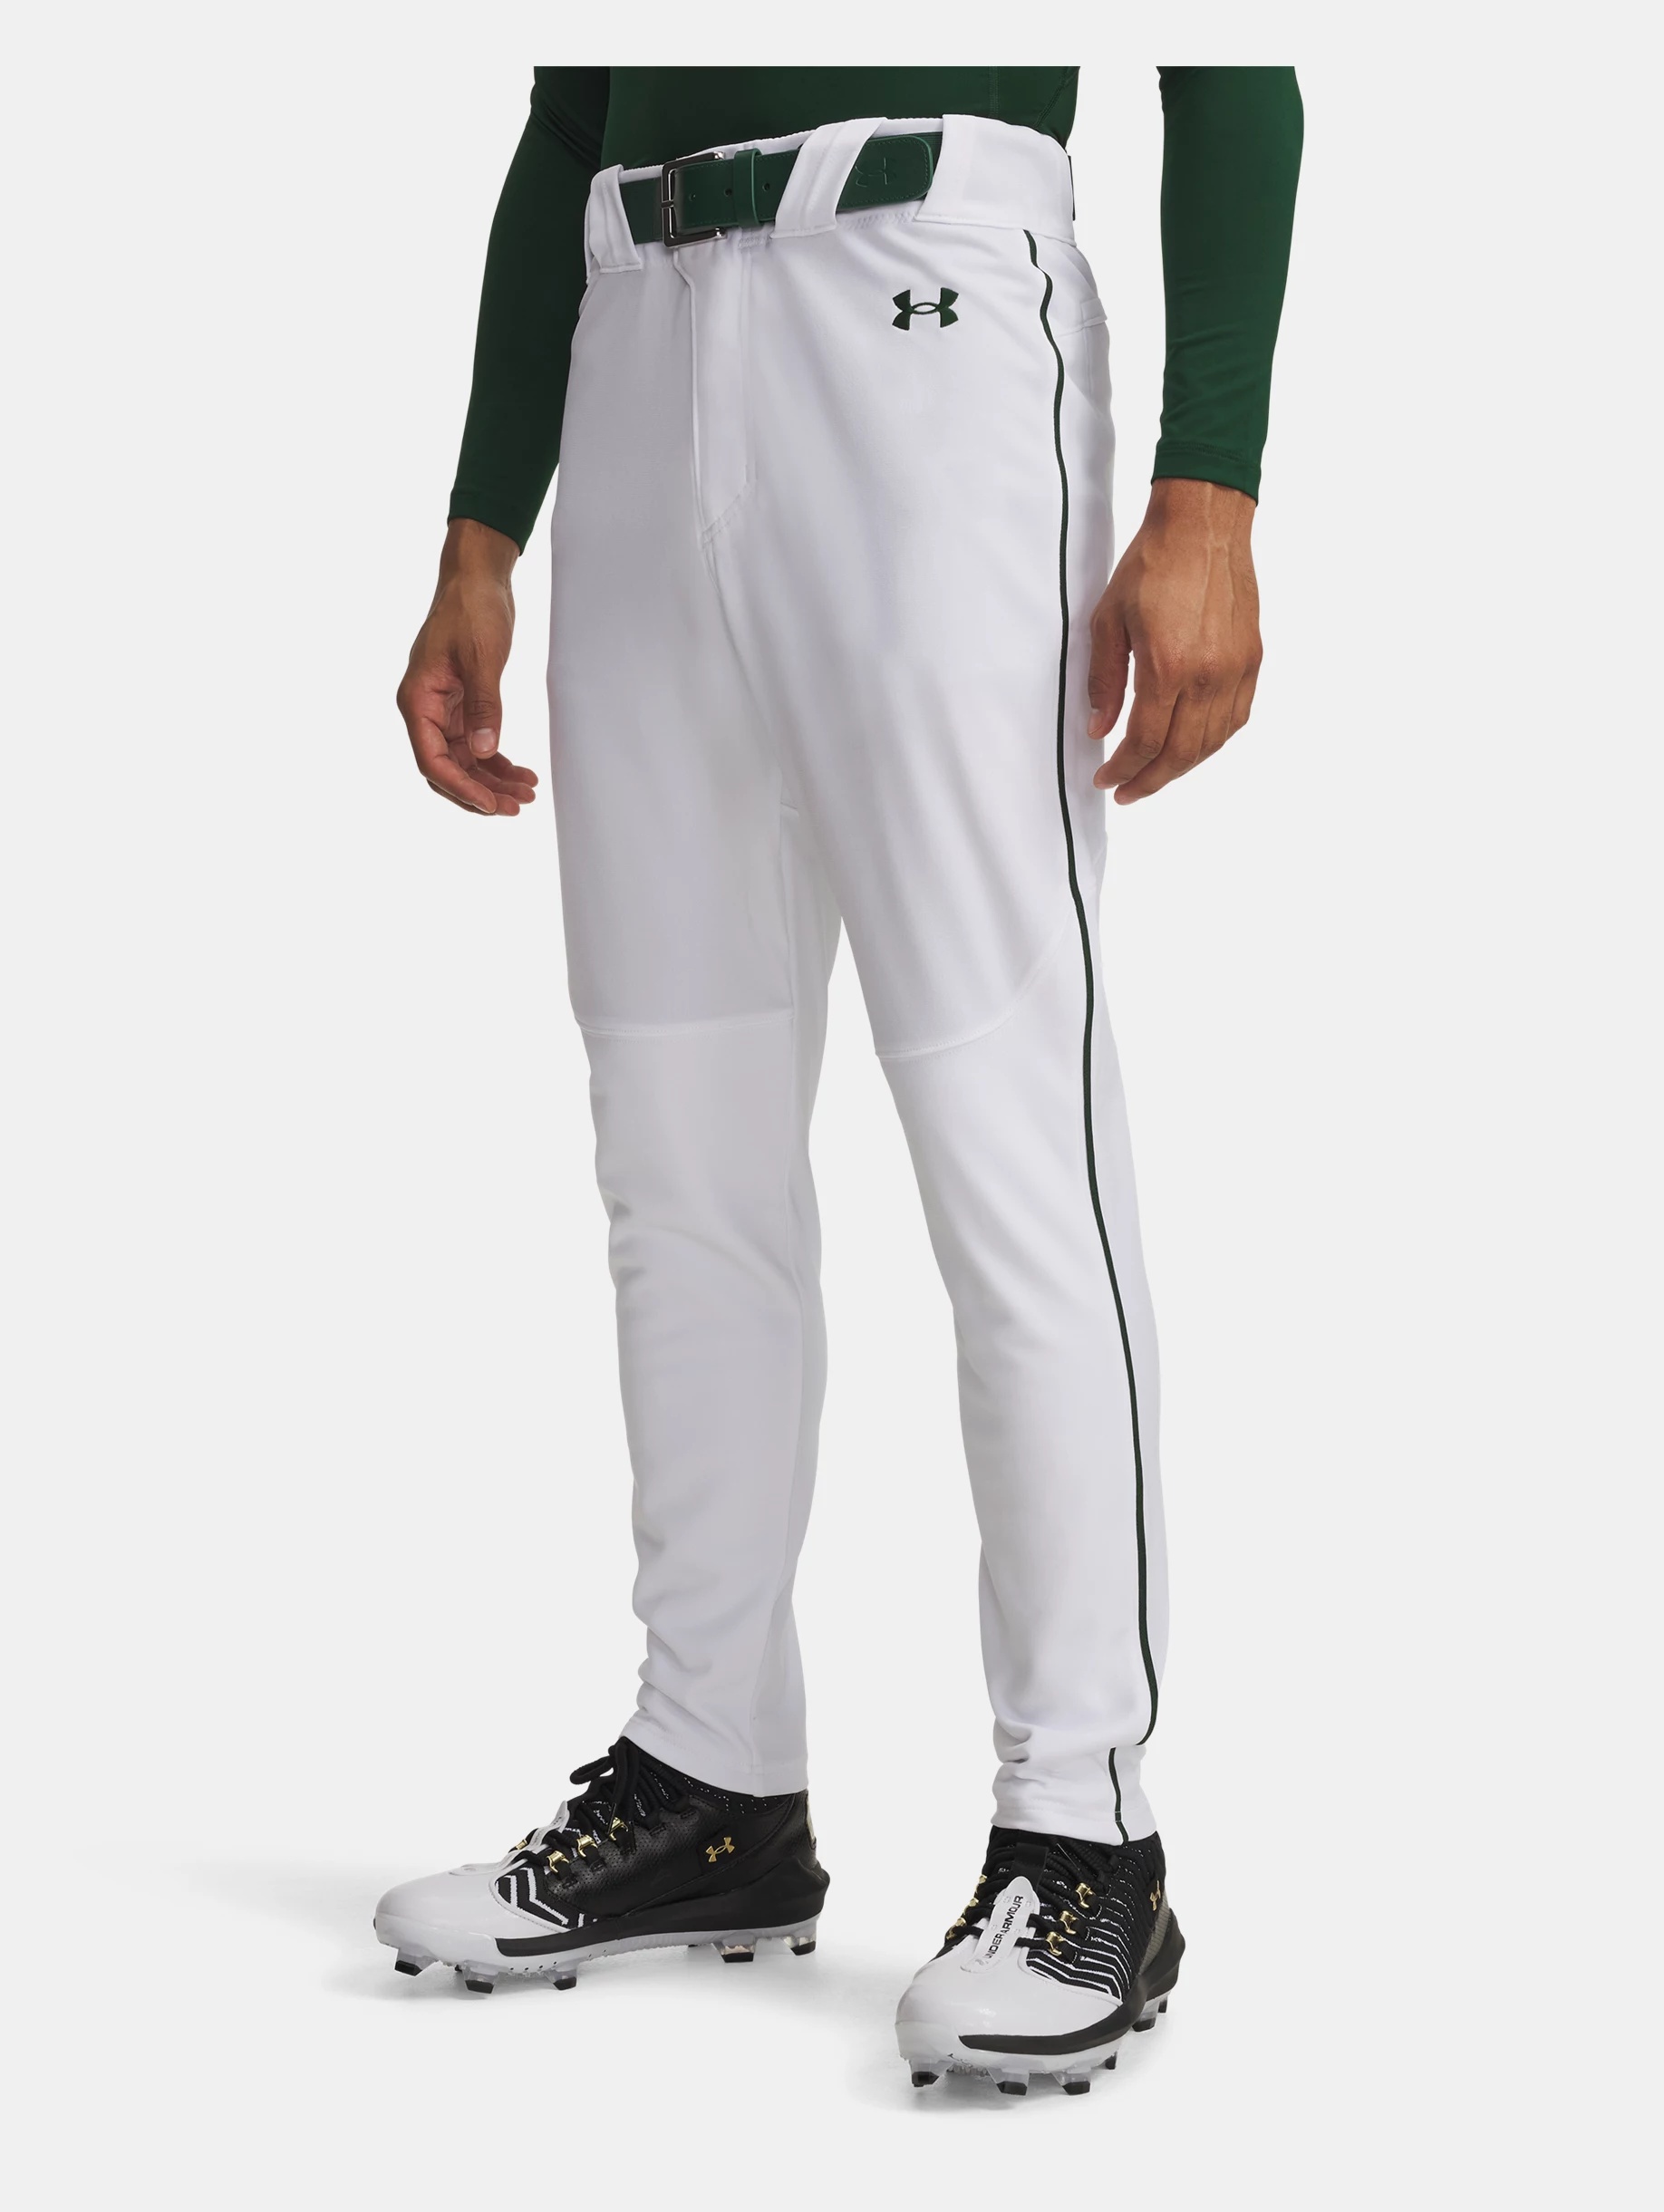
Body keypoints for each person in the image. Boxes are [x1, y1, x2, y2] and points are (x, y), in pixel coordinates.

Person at [378, 65, 1301, 2093]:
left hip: (924, 310)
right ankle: (712, 1771)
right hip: (640, 341)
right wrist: (483, 523)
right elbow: (567, 114)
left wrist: (1211, 482)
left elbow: (1243, 58)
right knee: (678, 1147)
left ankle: (1088, 1832)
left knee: (1004, 1124)